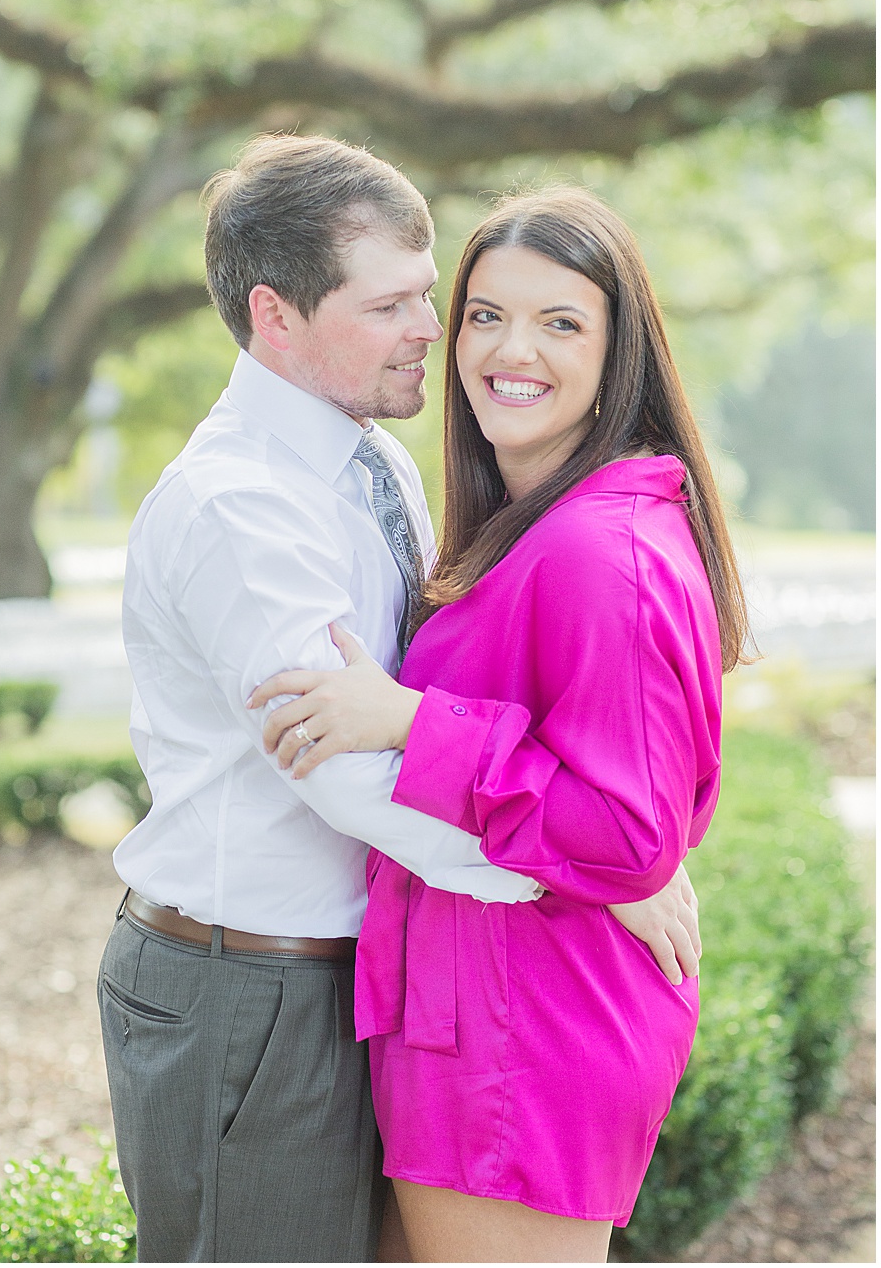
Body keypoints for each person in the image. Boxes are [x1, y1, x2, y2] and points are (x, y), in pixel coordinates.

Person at [100, 134, 698, 1263]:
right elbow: (349, 772)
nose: (433, 329)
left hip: (368, 970)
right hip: (250, 980)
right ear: (275, 318)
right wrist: (601, 873)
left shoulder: (372, 465)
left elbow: (448, 698)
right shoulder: (238, 507)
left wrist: (617, 841)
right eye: (391, 305)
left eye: (430, 295)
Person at [248, 188, 741, 1262]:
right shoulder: (544, 528)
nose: (509, 349)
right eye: (483, 314)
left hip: (524, 1037)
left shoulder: (594, 553)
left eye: (560, 322)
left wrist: (407, 721)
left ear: (618, 354)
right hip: (480, 1016)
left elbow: (623, 832)